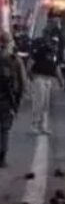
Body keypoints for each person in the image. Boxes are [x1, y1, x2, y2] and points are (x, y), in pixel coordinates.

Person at [27, 35, 64, 135]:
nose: (55, 46)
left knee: (46, 104)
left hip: (49, 79)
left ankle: (43, 125)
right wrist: (30, 76)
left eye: (56, 44)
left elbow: (56, 68)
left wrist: (61, 81)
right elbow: (31, 62)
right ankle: (34, 124)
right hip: (39, 77)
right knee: (39, 102)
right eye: (53, 44)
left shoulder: (55, 55)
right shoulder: (41, 51)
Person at [0, 33, 26, 167]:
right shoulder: (15, 59)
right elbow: (22, 82)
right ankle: (2, 158)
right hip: (7, 99)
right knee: (4, 129)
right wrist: (18, 101)